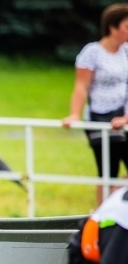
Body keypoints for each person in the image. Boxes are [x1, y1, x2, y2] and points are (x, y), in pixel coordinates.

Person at [62, 4, 128, 205]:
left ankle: (116, 201)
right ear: (113, 28)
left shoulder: (126, 52)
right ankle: (103, 216)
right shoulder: (92, 52)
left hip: (123, 116)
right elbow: (81, 86)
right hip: (100, 115)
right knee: (107, 169)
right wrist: (74, 114)